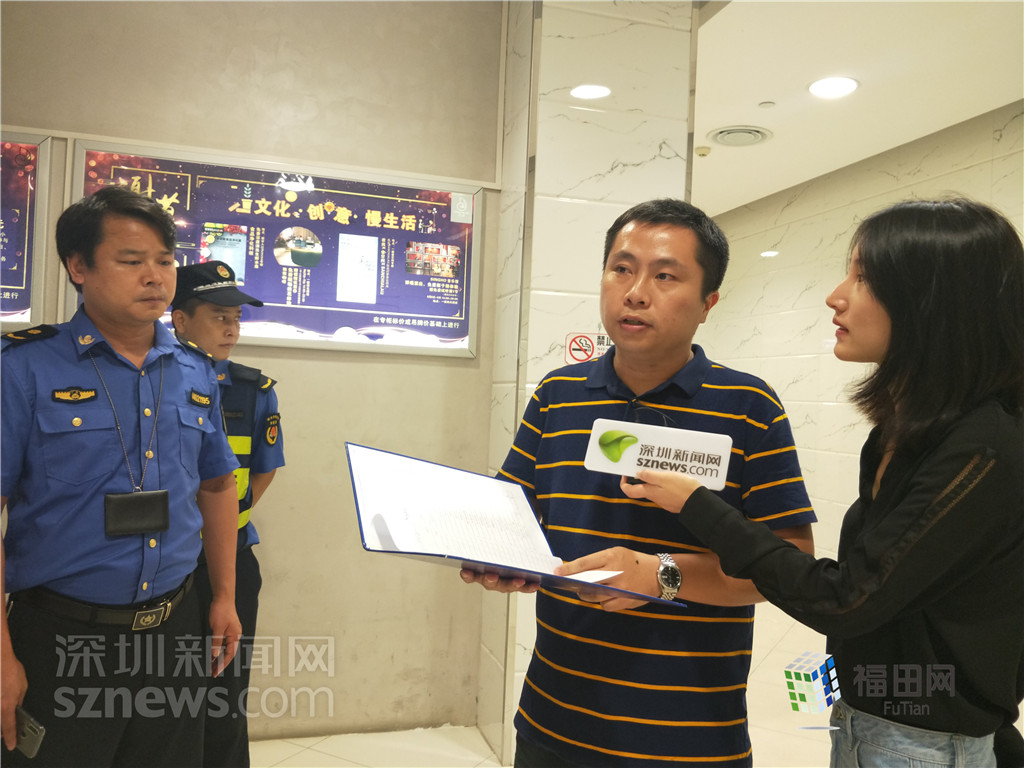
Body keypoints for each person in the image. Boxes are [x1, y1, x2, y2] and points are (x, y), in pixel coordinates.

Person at [620, 198, 1024, 767]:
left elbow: (847, 597)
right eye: (621, 268)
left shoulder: (983, 448)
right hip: (871, 718)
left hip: (919, 739)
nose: (836, 296)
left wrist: (695, 509)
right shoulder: (905, 431)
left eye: (864, 278)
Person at [462, 198, 817, 766]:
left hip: (688, 734)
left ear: (708, 303)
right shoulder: (557, 394)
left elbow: (789, 568)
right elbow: (510, 513)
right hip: (553, 720)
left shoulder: (749, 406)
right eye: (621, 268)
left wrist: (660, 576)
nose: (635, 292)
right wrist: (496, 555)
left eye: (665, 276)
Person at [0, 187, 242, 767]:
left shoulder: (196, 370)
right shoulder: (24, 368)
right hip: (61, 635)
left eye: (164, 260)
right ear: (78, 267)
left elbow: (216, 485)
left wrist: (224, 597)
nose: (155, 277)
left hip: (174, 627)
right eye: (132, 261)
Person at [171, 261, 285, 767]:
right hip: (166, 567)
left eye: (236, 318)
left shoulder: (253, 390)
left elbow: (264, 469)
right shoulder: (151, 382)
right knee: (164, 694)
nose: (232, 328)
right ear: (180, 320)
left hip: (232, 560)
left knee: (224, 692)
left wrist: (222, 523)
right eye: (219, 317)